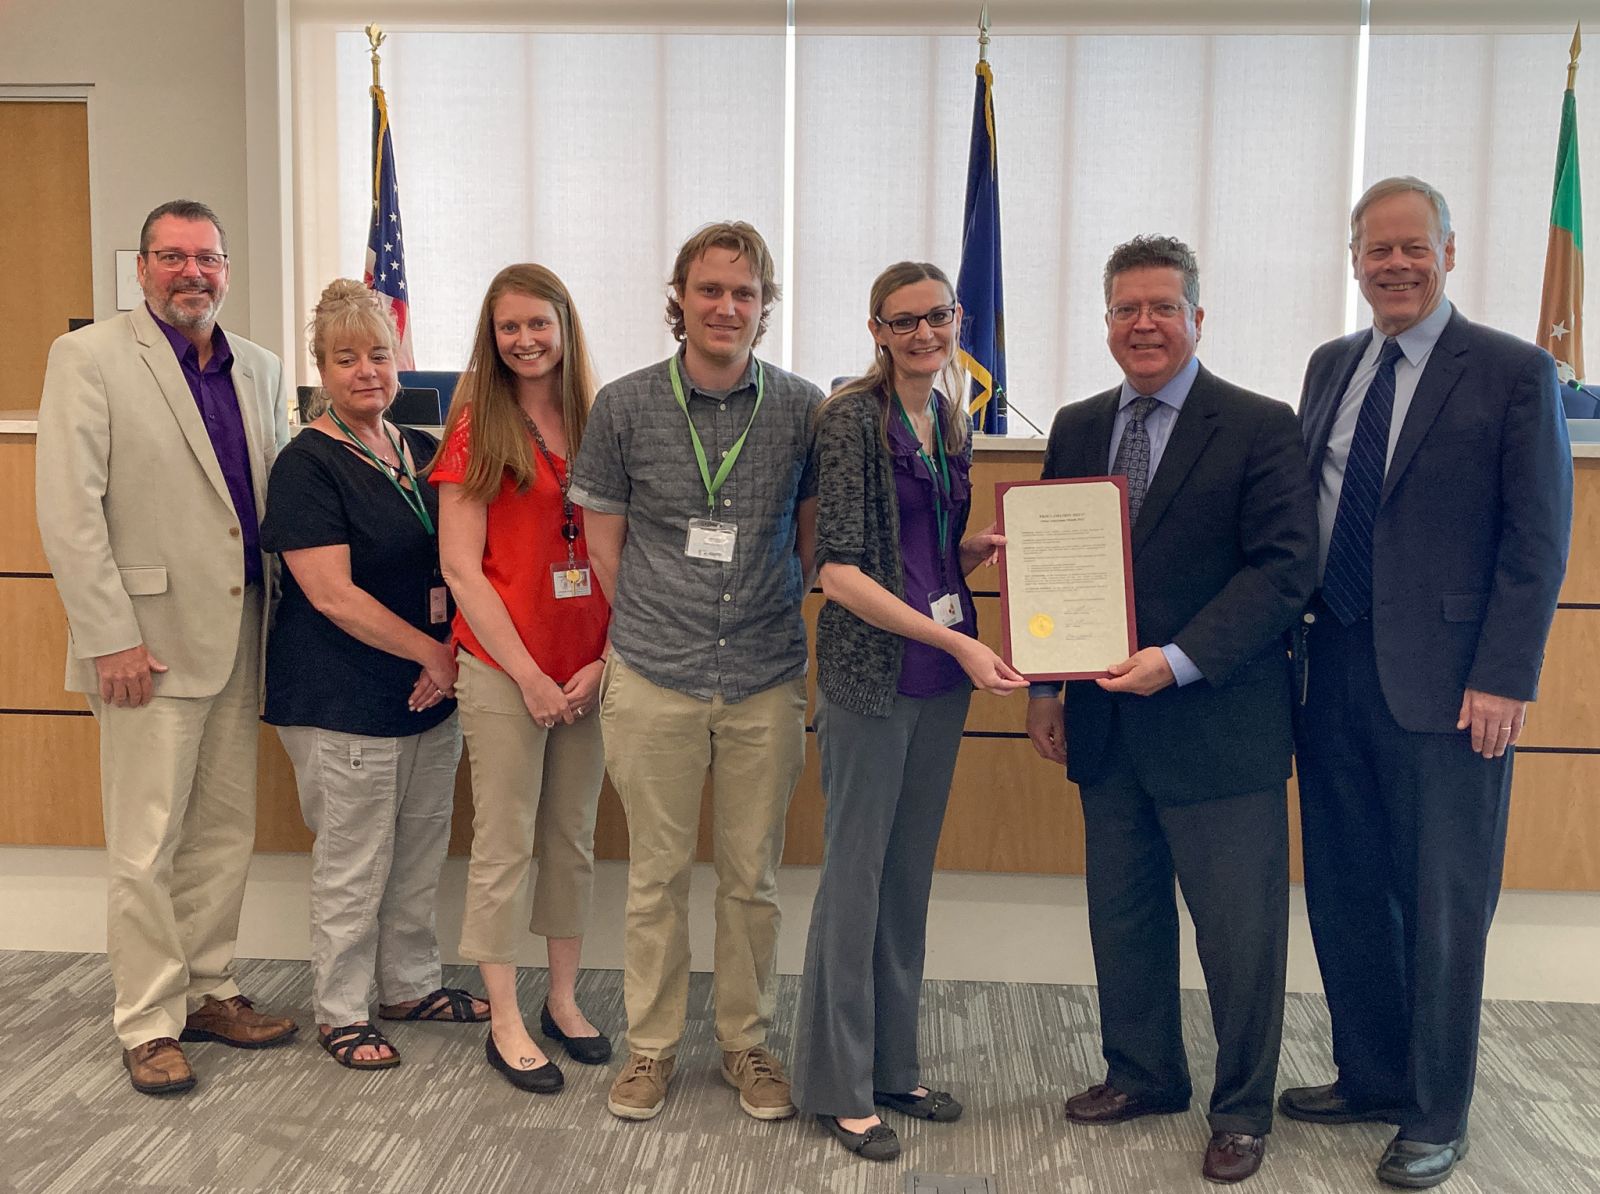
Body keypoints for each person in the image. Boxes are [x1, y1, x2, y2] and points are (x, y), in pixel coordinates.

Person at [1283, 176, 1572, 1189]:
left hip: (1453, 690)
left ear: (1449, 252)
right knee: (1348, 887)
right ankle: (1368, 1074)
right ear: (1352, 258)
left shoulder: (1510, 371)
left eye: (1414, 247)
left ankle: (1436, 1113)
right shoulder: (1329, 367)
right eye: (1376, 250)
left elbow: (1537, 542)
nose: (1394, 265)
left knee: (1443, 903)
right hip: (1332, 668)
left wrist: (1504, 676)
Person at [1025, 236, 1317, 1184]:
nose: (1142, 325)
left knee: (1238, 936)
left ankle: (1241, 1109)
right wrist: (1045, 688)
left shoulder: (1261, 424)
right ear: (1106, 320)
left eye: (1161, 307)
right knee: (1125, 915)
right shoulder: (1075, 424)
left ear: (1199, 316)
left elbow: (1283, 571)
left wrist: (1180, 660)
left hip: (1217, 723)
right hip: (1107, 728)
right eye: (1124, 309)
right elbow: (1051, 569)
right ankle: (1144, 1072)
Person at [35, 199, 296, 1094]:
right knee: (145, 843)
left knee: (223, 833)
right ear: (142, 269)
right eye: (174, 257)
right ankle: (147, 1020)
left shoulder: (258, 367)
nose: (194, 274)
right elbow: (70, 512)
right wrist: (109, 638)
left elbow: (269, 503)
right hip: (145, 647)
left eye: (209, 259)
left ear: (227, 269)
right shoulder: (90, 358)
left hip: (240, 636)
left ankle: (208, 989)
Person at [569, 221, 821, 1123]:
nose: (727, 307)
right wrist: (666, 611)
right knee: (657, 874)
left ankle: (747, 1045)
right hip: (654, 671)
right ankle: (650, 1048)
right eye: (709, 290)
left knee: (752, 878)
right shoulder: (626, 406)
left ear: (765, 306)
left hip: (763, 672)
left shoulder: (802, 407)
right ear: (679, 298)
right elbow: (605, 547)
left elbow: (812, 537)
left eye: (745, 293)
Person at [791, 262, 1027, 1161]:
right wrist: (962, 642)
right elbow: (841, 572)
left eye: (937, 317)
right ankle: (839, 1086)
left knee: (906, 879)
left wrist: (973, 548)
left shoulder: (953, 413)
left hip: (940, 682)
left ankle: (893, 1065)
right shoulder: (851, 419)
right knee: (854, 880)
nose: (924, 333)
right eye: (904, 322)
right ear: (876, 330)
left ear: (958, 318)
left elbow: (917, 545)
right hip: (875, 679)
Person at [261, 279, 486, 1071]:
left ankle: (410, 984)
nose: (367, 371)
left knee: (420, 850)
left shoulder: (420, 450)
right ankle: (341, 1008)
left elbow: (463, 566)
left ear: (401, 364)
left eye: (379, 355)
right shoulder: (308, 464)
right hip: (342, 694)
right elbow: (331, 594)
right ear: (321, 368)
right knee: (356, 864)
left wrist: (448, 654)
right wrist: (432, 653)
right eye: (346, 357)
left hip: (430, 691)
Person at [432, 264, 612, 1095]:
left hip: (591, 671)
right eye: (510, 328)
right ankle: (504, 1014)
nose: (527, 340)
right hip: (508, 669)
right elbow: (463, 572)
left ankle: (563, 1000)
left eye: (541, 324)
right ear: (491, 336)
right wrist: (532, 675)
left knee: (571, 841)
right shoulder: (477, 427)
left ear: (565, 327)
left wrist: (601, 663)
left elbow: (629, 554)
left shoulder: (601, 420)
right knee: (504, 845)